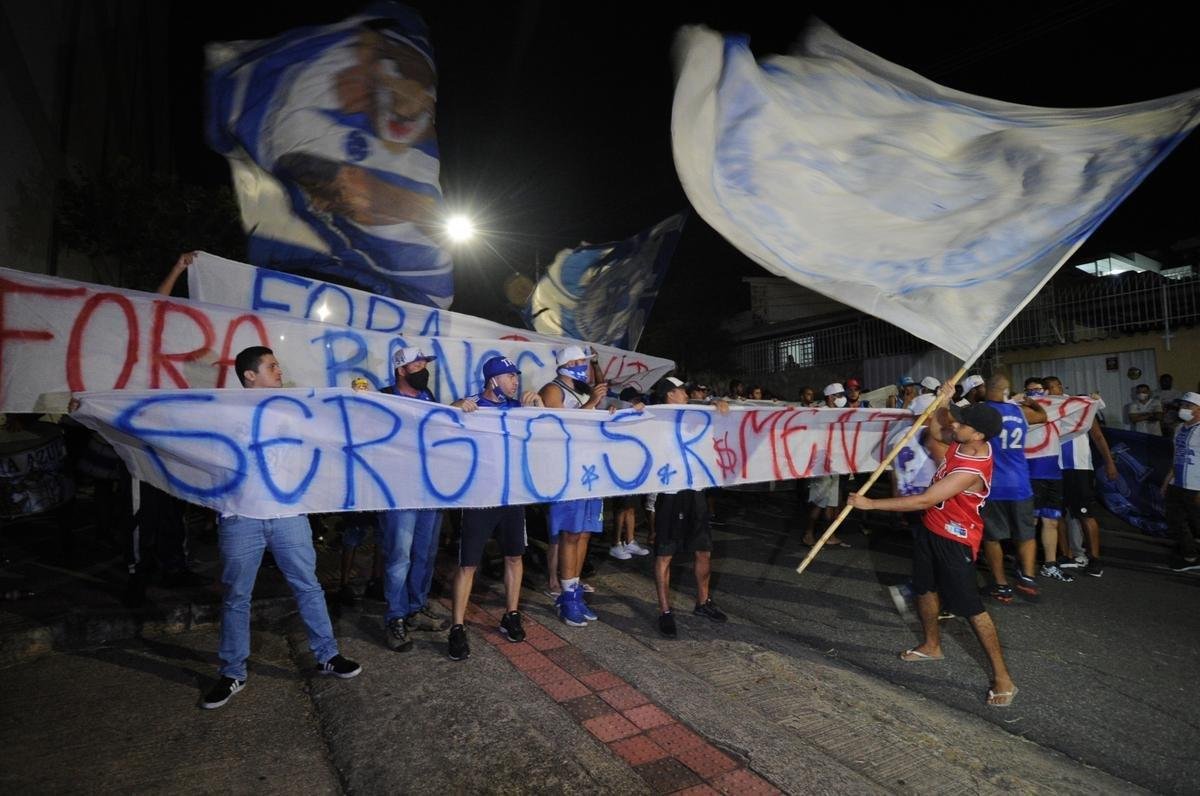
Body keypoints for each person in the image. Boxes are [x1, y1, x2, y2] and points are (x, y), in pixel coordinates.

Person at [199, 346, 361, 709]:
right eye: (271, 366)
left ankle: (328, 655)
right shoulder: (223, 413)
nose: (279, 371)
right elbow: (172, 427)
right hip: (241, 519)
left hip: (289, 516)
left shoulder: (293, 409)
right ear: (249, 377)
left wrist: (360, 403)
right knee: (237, 598)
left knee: (309, 586)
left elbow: (332, 426)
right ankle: (233, 672)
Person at [849, 386, 1018, 707]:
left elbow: (926, 499)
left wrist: (871, 504)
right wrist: (944, 398)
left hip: (956, 539)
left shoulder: (973, 468)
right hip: (931, 529)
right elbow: (937, 431)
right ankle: (931, 645)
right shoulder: (962, 441)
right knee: (925, 588)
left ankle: (1003, 677)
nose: (955, 425)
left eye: (962, 423)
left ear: (979, 434)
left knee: (971, 609)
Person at [446, 356, 544, 660]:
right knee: (469, 564)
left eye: (516, 376)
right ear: (493, 380)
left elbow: (546, 435)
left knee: (514, 557)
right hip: (480, 499)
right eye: (510, 377)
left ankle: (511, 614)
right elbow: (439, 418)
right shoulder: (472, 403)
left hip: (512, 497)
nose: (516, 382)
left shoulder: (517, 409)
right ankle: (457, 627)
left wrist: (539, 408)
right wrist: (456, 409)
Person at [375, 347, 451, 652]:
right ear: (401, 370)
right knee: (399, 557)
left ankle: (416, 608)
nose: (423, 367)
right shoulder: (382, 398)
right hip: (398, 494)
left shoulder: (428, 397)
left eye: (424, 363)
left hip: (429, 491)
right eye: (416, 364)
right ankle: (395, 617)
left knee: (425, 553)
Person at [652, 377, 730, 637]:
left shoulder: (695, 414)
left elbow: (717, 413)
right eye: (681, 391)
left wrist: (717, 403)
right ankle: (664, 611)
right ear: (669, 395)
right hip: (670, 494)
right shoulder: (654, 418)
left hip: (695, 491)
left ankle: (703, 602)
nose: (686, 394)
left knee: (704, 551)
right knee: (665, 555)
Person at [540, 345, 609, 626]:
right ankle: (566, 597)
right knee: (570, 533)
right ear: (566, 363)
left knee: (584, 534)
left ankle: (575, 590)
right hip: (567, 473)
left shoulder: (583, 391)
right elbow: (557, 427)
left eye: (586, 361)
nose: (585, 366)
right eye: (580, 361)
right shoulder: (552, 390)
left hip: (590, 471)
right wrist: (592, 403)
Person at [981, 374, 1047, 603]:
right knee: (1026, 534)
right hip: (1021, 484)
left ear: (991, 390)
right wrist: (1031, 401)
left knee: (992, 537)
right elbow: (1042, 416)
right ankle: (1028, 578)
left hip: (993, 485)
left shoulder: (983, 412)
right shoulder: (1020, 412)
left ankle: (1001, 585)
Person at [1046, 376, 1116, 577]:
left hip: (1079, 468)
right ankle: (1066, 555)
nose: (1052, 391)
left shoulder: (1078, 406)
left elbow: (1098, 436)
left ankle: (1095, 559)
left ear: (1061, 386)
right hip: (1055, 468)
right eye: (1047, 389)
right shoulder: (1045, 410)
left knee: (1085, 513)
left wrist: (1110, 462)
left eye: (1054, 387)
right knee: (1056, 514)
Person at [1021, 378, 1072, 584]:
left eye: (1038, 390)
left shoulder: (1056, 407)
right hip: (1031, 470)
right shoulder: (1021, 410)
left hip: (1053, 471)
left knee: (1051, 520)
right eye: (1030, 391)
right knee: (1030, 521)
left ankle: (1050, 565)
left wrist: (1095, 400)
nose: (1035, 394)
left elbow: (1078, 405)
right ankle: (1024, 565)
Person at [801, 383, 852, 548]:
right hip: (821, 464)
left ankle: (829, 535)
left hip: (835, 463)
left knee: (831, 501)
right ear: (830, 397)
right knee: (819, 500)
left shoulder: (839, 412)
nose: (842, 398)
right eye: (839, 395)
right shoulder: (818, 413)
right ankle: (808, 534)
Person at [1164, 391, 1200, 572]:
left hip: (1195, 485)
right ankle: (1190, 555)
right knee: (1175, 519)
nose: (1183, 409)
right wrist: (1166, 482)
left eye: (1188, 406)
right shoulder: (1179, 429)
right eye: (1182, 405)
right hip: (1177, 484)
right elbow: (1176, 457)